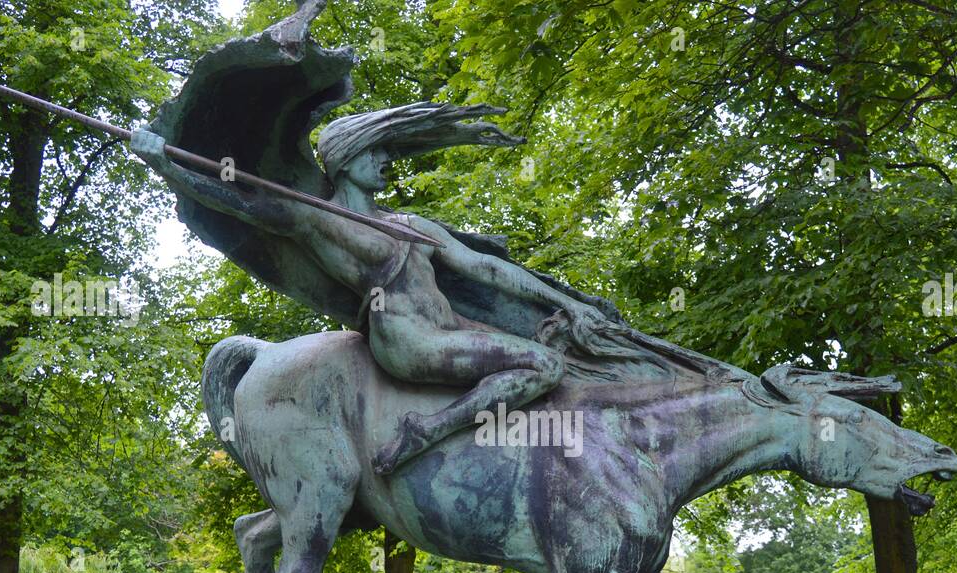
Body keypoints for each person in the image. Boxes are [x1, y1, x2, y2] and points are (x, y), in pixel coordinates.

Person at [132, 102, 631, 474]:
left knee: (552, 356)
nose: (387, 161)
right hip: (409, 341)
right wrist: (167, 167)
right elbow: (241, 204)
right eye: (377, 153)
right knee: (544, 365)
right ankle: (427, 432)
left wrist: (565, 302)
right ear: (347, 160)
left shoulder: (411, 224)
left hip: (451, 327)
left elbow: (484, 267)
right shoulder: (316, 219)